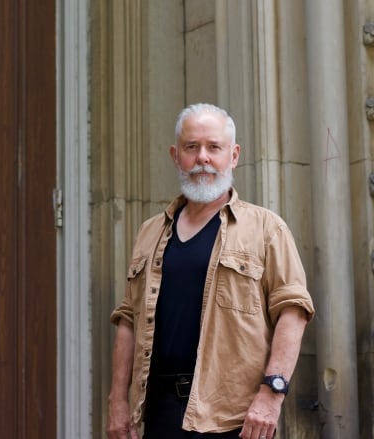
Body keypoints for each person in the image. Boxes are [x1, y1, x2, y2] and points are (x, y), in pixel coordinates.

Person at [106, 103, 315, 439]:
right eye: (192, 147)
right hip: (160, 415)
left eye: (213, 147)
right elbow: (128, 319)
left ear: (233, 156)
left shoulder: (266, 229)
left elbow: (293, 311)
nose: (202, 158)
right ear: (176, 156)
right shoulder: (149, 232)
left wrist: (271, 395)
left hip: (235, 418)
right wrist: (117, 401)